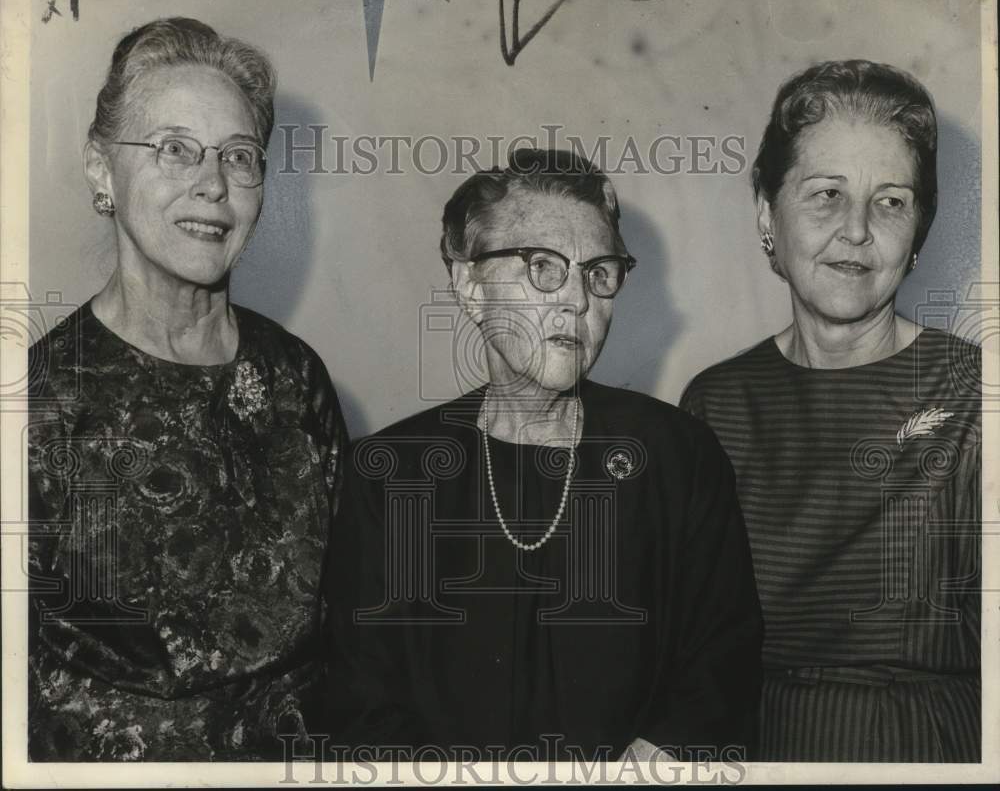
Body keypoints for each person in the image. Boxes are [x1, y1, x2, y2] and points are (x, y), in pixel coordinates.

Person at [327, 149, 762, 762]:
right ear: (470, 284)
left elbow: (723, 662)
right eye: (542, 267)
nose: (577, 301)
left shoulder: (677, 456)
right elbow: (359, 700)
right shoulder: (392, 474)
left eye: (598, 272)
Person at [27, 17, 347, 760]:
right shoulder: (36, 404)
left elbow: (349, 632)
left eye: (239, 157)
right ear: (102, 170)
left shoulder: (297, 378)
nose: (212, 184)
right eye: (175, 149)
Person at [681, 60, 981, 762]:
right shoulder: (715, 403)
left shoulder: (976, 393)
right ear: (767, 217)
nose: (855, 230)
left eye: (891, 202)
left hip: (927, 748)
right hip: (750, 745)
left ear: (918, 236)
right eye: (826, 195)